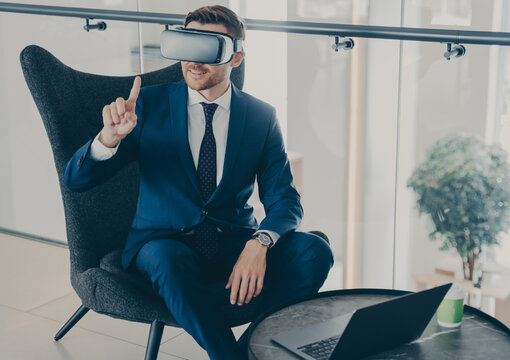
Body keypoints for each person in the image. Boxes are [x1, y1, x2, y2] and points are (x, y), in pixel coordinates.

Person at [63, 5, 334, 360]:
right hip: (161, 247)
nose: (194, 60)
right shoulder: (147, 106)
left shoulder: (260, 117)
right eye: (188, 45)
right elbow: (76, 182)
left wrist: (261, 242)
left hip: (233, 244)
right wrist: (108, 139)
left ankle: (251, 348)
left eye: (209, 49)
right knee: (168, 256)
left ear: (236, 57)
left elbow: (285, 199)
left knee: (315, 251)